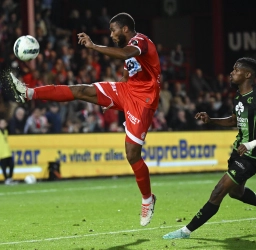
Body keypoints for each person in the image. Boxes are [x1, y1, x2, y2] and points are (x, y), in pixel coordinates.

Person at [7, 12, 160, 226]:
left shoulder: (140, 41)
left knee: (132, 154)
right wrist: (114, 95)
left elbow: (126, 53)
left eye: (113, 30)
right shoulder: (127, 53)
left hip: (143, 99)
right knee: (81, 90)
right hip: (126, 91)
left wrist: (94, 46)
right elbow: (126, 75)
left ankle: (147, 199)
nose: (111, 34)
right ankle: (28, 93)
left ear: (125, 29)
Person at [163, 57, 256, 239]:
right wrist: (211, 120)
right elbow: (234, 120)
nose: (232, 72)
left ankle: (185, 231)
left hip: (251, 157)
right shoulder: (238, 97)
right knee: (236, 192)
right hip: (238, 152)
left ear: (247, 74)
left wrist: (252, 143)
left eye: (236, 70)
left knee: (218, 191)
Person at [0, 118, 16, 185]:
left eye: (4, 123)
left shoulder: (6, 131)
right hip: (2, 153)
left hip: (8, 152)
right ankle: (6, 179)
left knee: (11, 165)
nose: (3, 124)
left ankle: (10, 178)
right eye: (2, 123)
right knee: (3, 167)